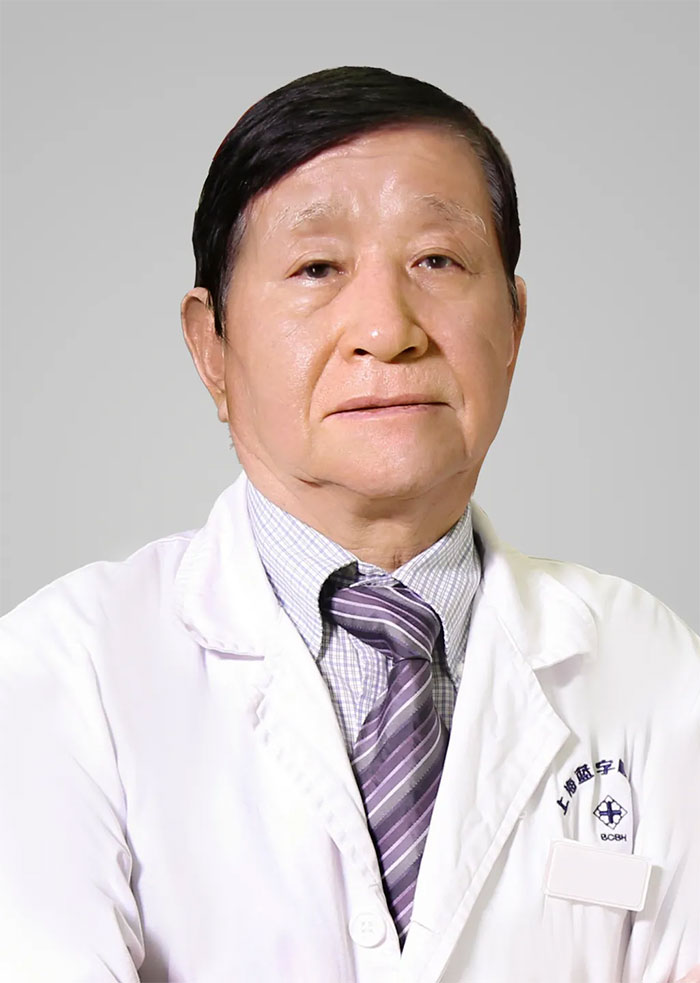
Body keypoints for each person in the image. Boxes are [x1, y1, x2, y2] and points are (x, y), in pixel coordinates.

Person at [0, 65, 698, 983]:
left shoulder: (647, 661)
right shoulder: (63, 672)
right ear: (211, 347)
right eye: (317, 268)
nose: (388, 328)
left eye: (437, 261)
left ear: (516, 324)